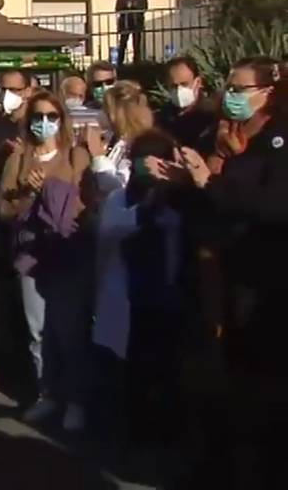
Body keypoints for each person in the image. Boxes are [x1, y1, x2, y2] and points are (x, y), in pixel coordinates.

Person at [146, 57, 288, 489]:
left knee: (258, 388)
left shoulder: (277, 141)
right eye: (229, 87)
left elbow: (273, 206)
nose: (232, 97)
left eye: (241, 89)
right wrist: (179, 183)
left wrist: (210, 183)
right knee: (211, 378)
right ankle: (211, 463)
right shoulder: (219, 135)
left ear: (267, 93)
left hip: (258, 278)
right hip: (209, 271)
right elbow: (205, 199)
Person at [0, 91, 97, 431]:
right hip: (31, 254)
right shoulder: (19, 158)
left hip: (67, 253)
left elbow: (87, 205)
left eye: (51, 116)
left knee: (69, 329)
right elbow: (4, 209)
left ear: (61, 119)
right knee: (37, 330)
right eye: (38, 116)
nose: (44, 123)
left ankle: (76, 399)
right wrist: (26, 192)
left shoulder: (75, 156)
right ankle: (48, 393)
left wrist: (53, 194)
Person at [91, 128, 185, 447]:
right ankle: (134, 431)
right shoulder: (120, 199)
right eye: (144, 161)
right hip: (127, 296)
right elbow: (111, 231)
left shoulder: (180, 199)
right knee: (132, 371)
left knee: (165, 368)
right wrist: (147, 209)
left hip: (168, 296)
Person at [87, 80, 153, 195]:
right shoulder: (115, 139)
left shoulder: (136, 145)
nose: (101, 113)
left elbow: (120, 187)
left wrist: (98, 157)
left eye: (105, 109)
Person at [156, 55, 218, 157]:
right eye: (174, 86)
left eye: (184, 84)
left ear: (198, 82)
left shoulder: (211, 116)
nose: (179, 90)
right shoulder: (162, 118)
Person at [115, 0, 148, 65]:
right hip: (125, 22)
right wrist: (126, 7)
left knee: (137, 44)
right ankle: (120, 62)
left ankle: (137, 62)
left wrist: (136, 7)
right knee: (123, 43)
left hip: (137, 21)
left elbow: (145, 7)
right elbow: (118, 8)